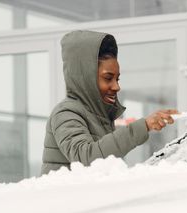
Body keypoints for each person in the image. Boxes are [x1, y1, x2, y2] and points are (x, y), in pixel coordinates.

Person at [41, 30, 178, 174]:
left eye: (117, 79)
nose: (116, 87)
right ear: (86, 78)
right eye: (108, 78)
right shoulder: (65, 113)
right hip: (65, 196)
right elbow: (87, 159)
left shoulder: (99, 116)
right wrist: (143, 125)